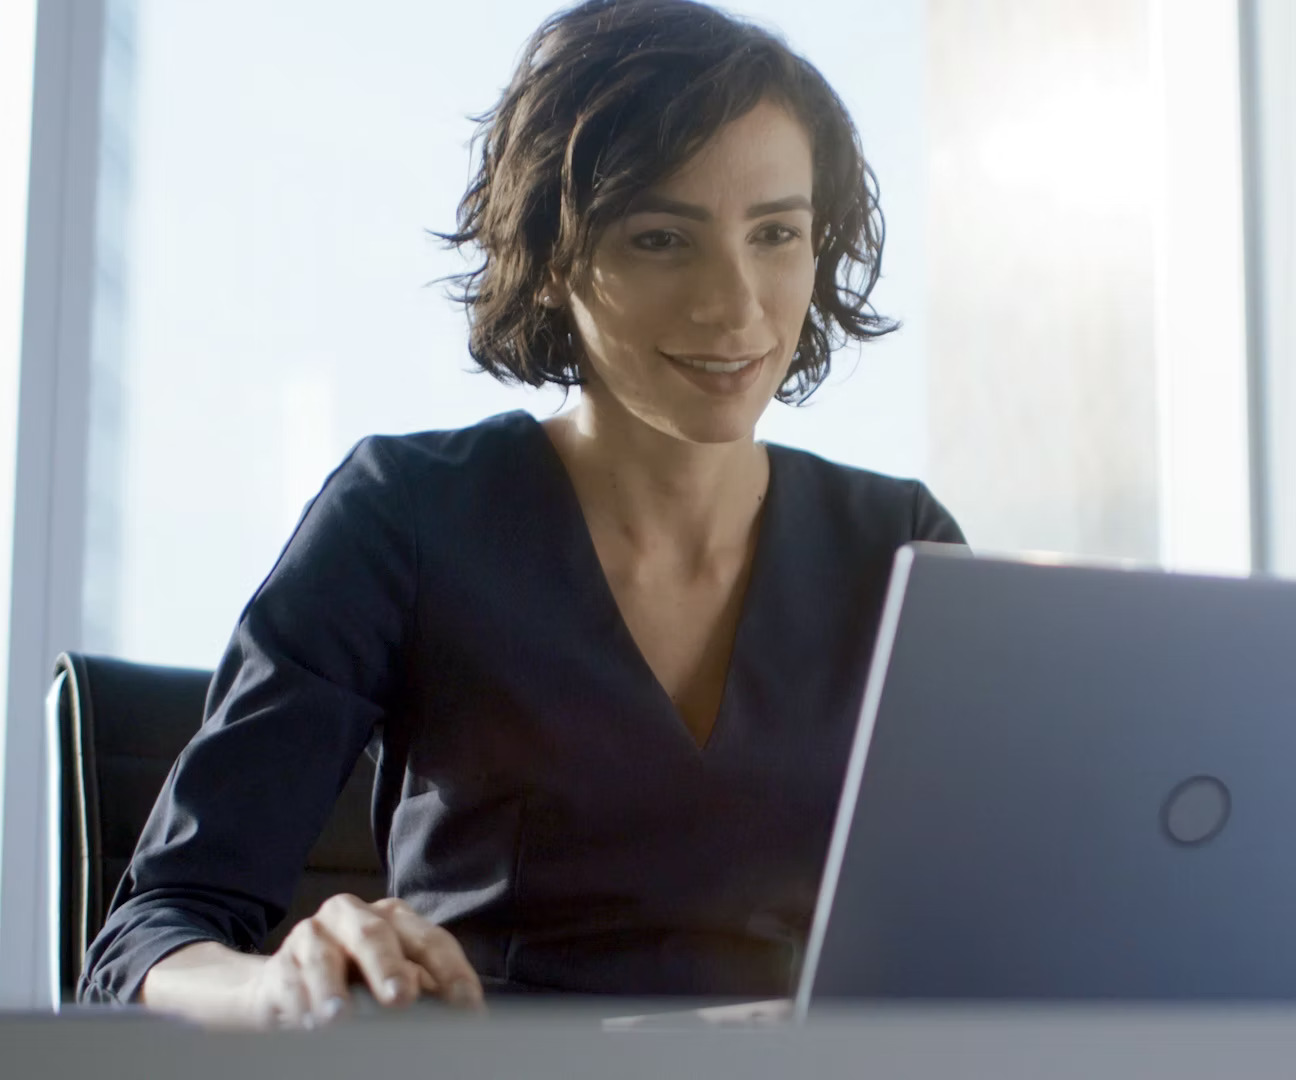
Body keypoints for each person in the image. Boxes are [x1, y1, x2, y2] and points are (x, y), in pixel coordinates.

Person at [77, 0, 963, 1028]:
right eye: (661, 238)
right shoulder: (404, 517)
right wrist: (281, 985)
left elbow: (1005, 913)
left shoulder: (903, 547)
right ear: (553, 258)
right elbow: (153, 931)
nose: (737, 304)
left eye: (776, 234)